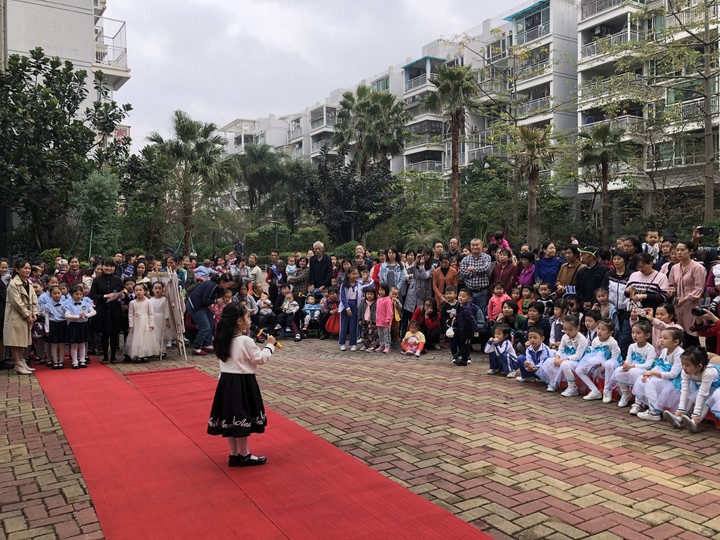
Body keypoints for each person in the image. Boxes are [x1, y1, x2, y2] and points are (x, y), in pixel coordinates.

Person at [207, 303, 275, 467]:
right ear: (239, 321)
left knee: (230, 419)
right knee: (241, 417)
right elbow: (259, 359)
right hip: (243, 383)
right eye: (247, 317)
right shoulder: (245, 340)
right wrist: (270, 346)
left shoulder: (222, 340)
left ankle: (234, 454)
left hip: (225, 383)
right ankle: (245, 455)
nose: (249, 321)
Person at [633, 327, 684, 421]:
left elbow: (673, 374)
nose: (661, 340)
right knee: (643, 379)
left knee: (651, 383)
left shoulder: (679, 353)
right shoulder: (665, 351)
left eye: (665, 338)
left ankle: (654, 412)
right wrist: (649, 374)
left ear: (676, 342)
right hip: (665, 376)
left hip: (675, 381)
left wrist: (652, 373)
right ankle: (640, 404)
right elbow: (659, 365)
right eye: (661, 337)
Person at [663, 346, 720, 432]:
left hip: (715, 389)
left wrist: (696, 413)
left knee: (706, 398)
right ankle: (679, 417)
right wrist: (680, 409)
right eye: (682, 364)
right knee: (690, 392)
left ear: (699, 366)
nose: (684, 368)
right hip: (700, 385)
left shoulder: (709, 372)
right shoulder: (686, 370)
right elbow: (684, 389)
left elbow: (703, 393)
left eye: (687, 365)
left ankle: (695, 421)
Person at [187, 274, 240, 356]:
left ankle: (207, 344)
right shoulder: (211, 285)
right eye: (228, 284)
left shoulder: (218, 287)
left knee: (211, 322)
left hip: (202, 306)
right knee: (205, 327)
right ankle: (196, 347)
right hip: (195, 306)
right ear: (222, 282)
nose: (228, 286)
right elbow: (205, 300)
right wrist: (216, 301)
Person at [609, 319, 657, 409]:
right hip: (632, 368)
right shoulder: (632, 346)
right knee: (618, 370)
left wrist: (633, 366)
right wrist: (626, 365)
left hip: (643, 370)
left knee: (634, 371)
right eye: (633, 332)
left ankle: (639, 400)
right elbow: (628, 360)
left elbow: (648, 365)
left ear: (647, 335)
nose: (634, 335)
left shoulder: (650, 348)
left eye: (638, 333)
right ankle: (625, 394)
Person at [537, 315, 589, 393]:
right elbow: (561, 349)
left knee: (565, 364)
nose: (567, 332)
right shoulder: (565, 337)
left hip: (578, 361)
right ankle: (554, 383)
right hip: (565, 357)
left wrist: (563, 360)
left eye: (570, 330)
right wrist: (557, 357)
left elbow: (578, 355)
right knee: (549, 361)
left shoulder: (582, 339)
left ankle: (572, 387)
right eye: (565, 329)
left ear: (577, 328)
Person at [668, 241, 706, 348]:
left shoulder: (697, 267)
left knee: (692, 333)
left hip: (691, 304)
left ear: (690, 251)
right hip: (678, 304)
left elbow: (699, 289)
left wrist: (685, 299)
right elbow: (672, 284)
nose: (679, 252)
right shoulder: (674, 267)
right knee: (679, 333)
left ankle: (695, 355)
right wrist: (671, 290)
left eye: (682, 250)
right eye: (677, 250)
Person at [4, 260, 38, 375]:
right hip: (16, 316)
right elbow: (17, 302)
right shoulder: (13, 284)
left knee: (23, 340)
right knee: (16, 341)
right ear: (17, 270)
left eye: (29, 268)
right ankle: (18, 363)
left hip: (26, 316)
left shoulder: (29, 282)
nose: (27, 270)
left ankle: (22, 361)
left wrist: (34, 313)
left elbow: (34, 299)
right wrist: (27, 314)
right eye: (25, 268)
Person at [90, 258, 125, 364]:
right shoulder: (97, 280)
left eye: (111, 266)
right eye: (107, 266)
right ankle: (105, 356)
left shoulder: (118, 280)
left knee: (114, 333)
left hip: (115, 309)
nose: (109, 268)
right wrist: (105, 296)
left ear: (114, 268)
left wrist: (121, 295)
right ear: (102, 266)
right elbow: (93, 294)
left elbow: (121, 291)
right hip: (102, 308)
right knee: (104, 333)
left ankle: (113, 356)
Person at [64, 284, 96, 369]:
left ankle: (82, 360)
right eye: (76, 294)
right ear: (71, 295)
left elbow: (94, 312)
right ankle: (74, 361)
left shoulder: (86, 303)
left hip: (83, 326)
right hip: (74, 326)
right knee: (74, 345)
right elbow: (67, 315)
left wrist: (86, 315)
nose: (78, 296)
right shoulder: (68, 304)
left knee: (82, 344)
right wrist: (77, 316)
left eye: (80, 294)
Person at [124, 283, 157, 364]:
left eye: (140, 290)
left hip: (145, 322)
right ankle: (137, 354)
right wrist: (131, 325)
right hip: (136, 323)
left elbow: (151, 314)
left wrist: (151, 323)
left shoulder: (148, 302)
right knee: (136, 339)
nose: (138, 292)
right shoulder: (132, 303)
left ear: (144, 291)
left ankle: (145, 354)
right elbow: (130, 315)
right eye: (136, 290)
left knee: (145, 338)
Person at [459, 238, 491, 313]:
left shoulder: (487, 257)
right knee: (469, 311)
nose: (475, 247)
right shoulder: (465, 259)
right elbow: (463, 271)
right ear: (470, 247)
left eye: (477, 245)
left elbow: (485, 268)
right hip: (469, 291)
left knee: (481, 312)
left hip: (482, 291)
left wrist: (473, 269)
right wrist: (475, 272)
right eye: (473, 245)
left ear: (481, 246)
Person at [451, 288, 480, 366]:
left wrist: (476, 330)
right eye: (460, 295)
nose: (460, 298)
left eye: (463, 296)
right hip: (460, 328)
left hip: (467, 330)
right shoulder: (457, 305)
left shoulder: (467, 310)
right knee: (459, 341)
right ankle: (461, 354)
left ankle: (464, 360)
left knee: (465, 344)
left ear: (469, 298)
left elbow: (473, 321)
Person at [338, 266, 362, 352]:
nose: (355, 276)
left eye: (356, 274)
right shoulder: (344, 285)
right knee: (344, 325)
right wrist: (347, 308)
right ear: (348, 275)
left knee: (353, 325)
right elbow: (343, 297)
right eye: (353, 274)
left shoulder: (359, 284)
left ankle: (353, 343)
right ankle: (342, 343)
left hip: (355, 304)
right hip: (346, 305)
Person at [150, 281, 172, 355]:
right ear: (152, 289)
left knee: (162, 335)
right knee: (154, 335)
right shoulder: (150, 300)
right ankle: (155, 350)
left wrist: (166, 319)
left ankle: (162, 350)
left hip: (161, 318)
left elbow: (167, 310)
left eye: (159, 288)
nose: (157, 290)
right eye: (156, 288)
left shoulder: (164, 300)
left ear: (162, 289)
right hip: (153, 319)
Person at [358, 287, 379, 352]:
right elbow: (360, 311)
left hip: (372, 321)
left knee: (372, 335)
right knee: (364, 334)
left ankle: (372, 346)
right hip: (364, 321)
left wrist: (375, 321)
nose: (369, 296)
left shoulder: (376, 302)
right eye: (368, 294)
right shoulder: (363, 302)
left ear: (374, 295)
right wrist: (360, 319)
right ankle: (365, 345)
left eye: (371, 294)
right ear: (365, 294)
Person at [375, 284, 393, 354]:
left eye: (382, 290)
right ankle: (382, 346)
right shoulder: (378, 299)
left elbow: (389, 311)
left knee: (386, 335)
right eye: (379, 290)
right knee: (381, 335)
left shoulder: (388, 300)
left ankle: (387, 346)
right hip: (379, 321)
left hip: (386, 322)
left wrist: (388, 319)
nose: (381, 291)